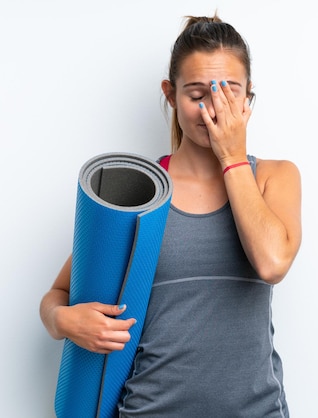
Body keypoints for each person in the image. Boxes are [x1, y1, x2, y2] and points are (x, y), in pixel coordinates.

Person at [40, 13, 301, 417]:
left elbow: (272, 263)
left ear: (249, 96)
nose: (213, 110)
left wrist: (231, 157)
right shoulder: (143, 193)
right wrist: (65, 322)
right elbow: (55, 297)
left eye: (229, 93)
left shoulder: (274, 177)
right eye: (197, 94)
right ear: (170, 94)